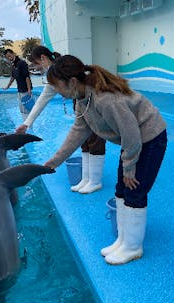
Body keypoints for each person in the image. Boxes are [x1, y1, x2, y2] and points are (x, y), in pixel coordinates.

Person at [43, 55, 167, 265]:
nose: (58, 93)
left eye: (58, 87)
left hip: (150, 137)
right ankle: (123, 240)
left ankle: (133, 247)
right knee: (120, 189)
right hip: (134, 141)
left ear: (72, 82)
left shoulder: (105, 99)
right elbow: (78, 132)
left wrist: (129, 167)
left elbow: (131, 134)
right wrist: (54, 162)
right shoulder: (83, 100)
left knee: (134, 190)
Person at [16, 46, 106, 194]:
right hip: (80, 103)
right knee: (85, 141)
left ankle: (95, 181)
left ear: (44, 58)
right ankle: (86, 178)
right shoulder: (53, 76)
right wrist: (27, 123)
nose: (38, 68)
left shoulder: (63, 69)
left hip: (92, 100)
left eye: (37, 64)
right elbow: (42, 100)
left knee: (95, 139)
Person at [3, 49, 33, 121]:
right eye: (7, 57)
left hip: (25, 90)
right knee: (22, 108)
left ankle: (28, 125)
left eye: (10, 56)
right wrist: (7, 86)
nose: (9, 58)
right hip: (20, 90)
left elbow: (27, 77)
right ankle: (25, 123)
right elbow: (13, 77)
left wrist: (29, 90)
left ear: (13, 53)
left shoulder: (22, 63)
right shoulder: (14, 65)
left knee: (27, 108)